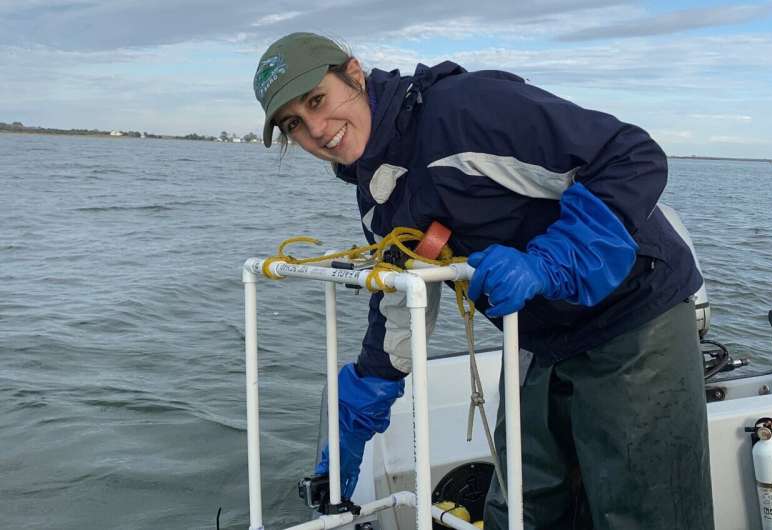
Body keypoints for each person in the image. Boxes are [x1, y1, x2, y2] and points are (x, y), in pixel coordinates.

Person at [253, 32, 714, 530]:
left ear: (355, 74)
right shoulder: (377, 186)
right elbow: (406, 281)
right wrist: (367, 391)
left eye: (318, 100)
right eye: (294, 124)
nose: (317, 131)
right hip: (537, 339)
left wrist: (549, 262)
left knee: (641, 511)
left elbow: (631, 156)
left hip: (634, 316)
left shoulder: (463, 110)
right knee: (521, 506)